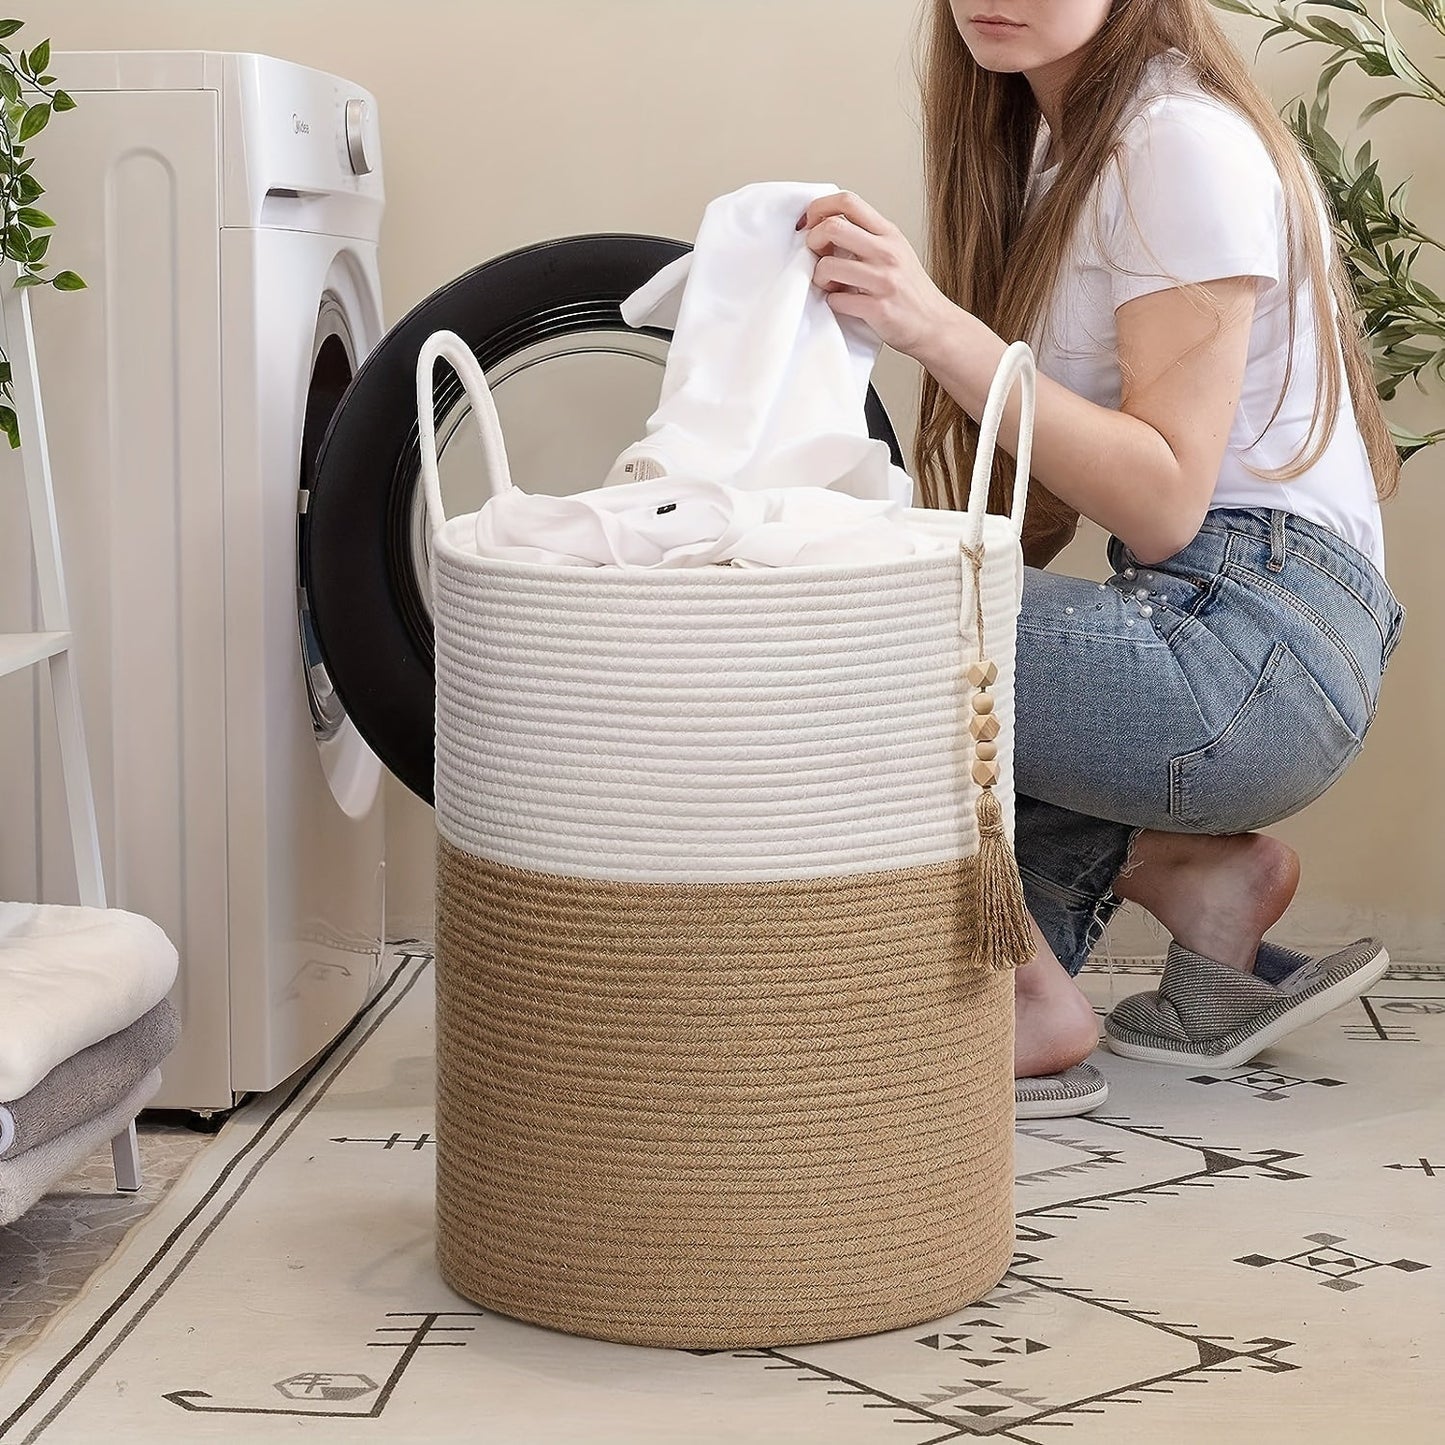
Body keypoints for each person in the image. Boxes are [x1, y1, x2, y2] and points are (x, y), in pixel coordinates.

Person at [797, 0, 1406, 1117]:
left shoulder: (1172, 141)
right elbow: (1040, 510)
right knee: (882, 633)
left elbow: (1165, 500)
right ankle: (1201, 882)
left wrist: (934, 328)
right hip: (1238, 631)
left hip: (1250, 649)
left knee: (824, 619)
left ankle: (1030, 997)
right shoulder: (1060, 152)